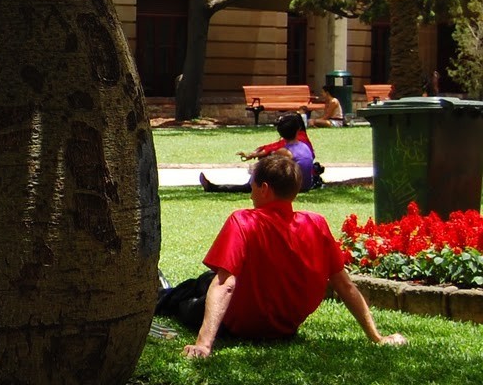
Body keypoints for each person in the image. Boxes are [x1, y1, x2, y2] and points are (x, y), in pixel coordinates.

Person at [159, 152, 407, 358]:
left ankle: (160, 295)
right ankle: (165, 290)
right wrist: (377, 336)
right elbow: (345, 285)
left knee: (184, 300)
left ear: (264, 188)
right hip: (284, 328)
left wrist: (203, 344)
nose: (250, 192)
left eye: (252, 185)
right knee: (203, 280)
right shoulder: (316, 223)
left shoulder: (243, 220)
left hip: (239, 325)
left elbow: (225, 284)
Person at [201, 112, 319, 192]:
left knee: (254, 181)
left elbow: (268, 160)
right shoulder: (304, 145)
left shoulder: (285, 151)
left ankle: (215, 188)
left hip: (297, 187)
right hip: (306, 184)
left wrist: (255, 166)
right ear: (298, 129)